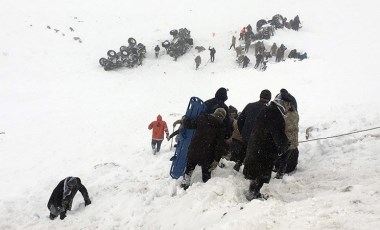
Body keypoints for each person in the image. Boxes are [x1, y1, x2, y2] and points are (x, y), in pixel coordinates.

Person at [243, 93, 292, 200]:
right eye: (288, 105)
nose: (288, 108)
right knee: (260, 174)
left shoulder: (268, 110)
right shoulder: (275, 114)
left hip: (257, 146)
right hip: (264, 150)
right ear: (284, 103)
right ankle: (253, 194)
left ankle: (253, 192)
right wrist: (285, 145)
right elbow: (278, 134)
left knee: (256, 174)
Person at [180, 108, 228, 190]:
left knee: (189, 168)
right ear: (223, 117)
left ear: (214, 112)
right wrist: (216, 160)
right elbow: (219, 145)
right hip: (208, 154)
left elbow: (190, 125)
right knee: (206, 173)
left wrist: (185, 119)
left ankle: (185, 184)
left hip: (194, 149)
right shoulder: (221, 127)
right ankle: (205, 190)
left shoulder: (202, 118)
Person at [236, 89, 271, 171]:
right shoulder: (269, 110)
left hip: (246, 135)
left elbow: (240, 120)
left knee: (244, 148)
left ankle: (238, 163)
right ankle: (247, 170)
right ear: (269, 98)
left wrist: (243, 131)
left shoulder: (250, 105)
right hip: (258, 137)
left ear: (260, 96)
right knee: (254, 154)